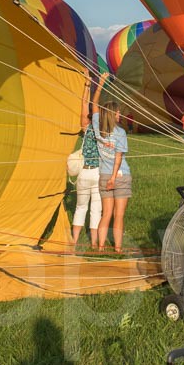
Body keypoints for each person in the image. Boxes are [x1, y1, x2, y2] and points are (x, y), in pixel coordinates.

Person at [92, 73, 131, 252]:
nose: (119, 114)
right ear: (112, 114)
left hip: (104, 175)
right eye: (117, 111)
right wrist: (114, 178)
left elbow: (93, 106)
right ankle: (118, 248)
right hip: (119, 175)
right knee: (119, 215)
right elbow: (118, 157)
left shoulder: (98, 128)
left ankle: (100, 247)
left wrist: (100, 84)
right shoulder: (120, 133)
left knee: (106, 213)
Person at [70, 83, 102, 250]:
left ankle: (74, 241)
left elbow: (84, 104)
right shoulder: (103, 132)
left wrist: (86, 85)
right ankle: (95, 243)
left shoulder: (86, 128)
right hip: (97, 174)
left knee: (80, 207)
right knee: (95, 209)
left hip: (83, 173)